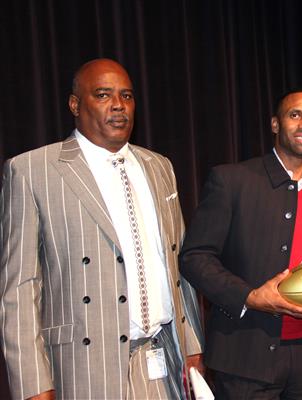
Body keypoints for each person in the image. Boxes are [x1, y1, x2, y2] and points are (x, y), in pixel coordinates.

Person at [0, 58, 204, 400]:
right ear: (75, 104)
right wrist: (34, 387)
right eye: (103, 94)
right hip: (83, 368)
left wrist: (192, 346)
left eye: (127, 95)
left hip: (163, 361)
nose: (118, 105)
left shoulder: (159, 167)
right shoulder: (32, 171)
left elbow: (178, 264)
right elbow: (19, 290)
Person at [179, 89, 302, 399]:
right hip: (245, 359)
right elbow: (194, 257)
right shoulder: (232, 181)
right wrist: (251, 296)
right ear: (275, 124)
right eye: (295, 115)